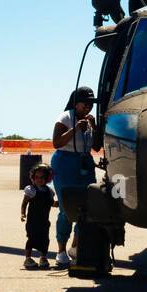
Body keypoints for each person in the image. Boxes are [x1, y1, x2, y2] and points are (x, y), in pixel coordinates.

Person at [52, 86, 98, 268]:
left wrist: (94, 127)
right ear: (76, 103)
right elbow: (56, 142)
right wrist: (75, 129)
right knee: (65, 207)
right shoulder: (65, 117)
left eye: (91, 104)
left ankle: (75, 247)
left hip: (85, 161)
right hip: (65, 162)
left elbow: (96, 147)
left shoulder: (89, 121)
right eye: (85, 103)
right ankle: (61, 249)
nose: (88, 107)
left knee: (86, 207)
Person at [21, 164, 56, 269]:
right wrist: (23, 213)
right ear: (33, 178)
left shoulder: (49, 191)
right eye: (37, 177)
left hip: (44, 221)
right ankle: (28, 258)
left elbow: (52, 203)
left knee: (45, 240)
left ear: (47, 179)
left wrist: (60, 204)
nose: (39, 180)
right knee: (31, 239)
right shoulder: (31, 190)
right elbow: (24, 203)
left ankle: (43, 257)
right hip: (32, 221)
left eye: (42, 177)